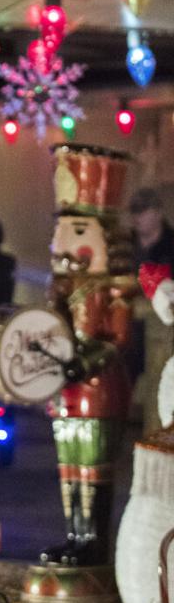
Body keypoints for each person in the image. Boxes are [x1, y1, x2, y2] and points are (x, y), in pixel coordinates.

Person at [129, 186, 174, 435]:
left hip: (161, 335)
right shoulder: (125, 246)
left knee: (159, 396)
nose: (137, 217)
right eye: (134, 211)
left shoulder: (171, 246)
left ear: (157, 213)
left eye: (143, 211)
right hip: (129, 333)